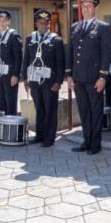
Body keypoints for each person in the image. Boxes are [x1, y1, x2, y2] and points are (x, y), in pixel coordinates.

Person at [67, 0, 111, 155]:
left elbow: (106, 55)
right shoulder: (75, 27)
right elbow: (70, 52)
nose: (86, 9)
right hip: (78, 77)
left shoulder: (103, 27)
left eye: (89, 6)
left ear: (96, 8)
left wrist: (103, 77)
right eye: (83, 6)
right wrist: (69, 75)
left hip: (94, 78)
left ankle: (95, 144)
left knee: (95, 111)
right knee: (84, 111)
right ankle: (86, 141)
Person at [22, 9, 64, 147]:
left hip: (49, 82)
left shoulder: (56, 40)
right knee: (39, 108)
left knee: (50, 110)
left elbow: (60, 63)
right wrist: (25, 78)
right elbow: (26, 59)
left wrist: (58, 81)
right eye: (41, 23)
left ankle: (49, 138)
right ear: (36, 24)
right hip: (34, 80)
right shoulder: (30, 39)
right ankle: (39, 135)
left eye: (47, 23)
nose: (44, 26)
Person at [0, 9, 23, 115]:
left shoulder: (13, 35)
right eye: (0, 20)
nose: (2, 22)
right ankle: (3, 125)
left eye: (5, 20)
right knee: (1, 100)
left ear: (9, 22)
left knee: (10, 100)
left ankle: (11, 125)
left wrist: (15, 75)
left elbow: (18, 57)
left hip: (9, 74)